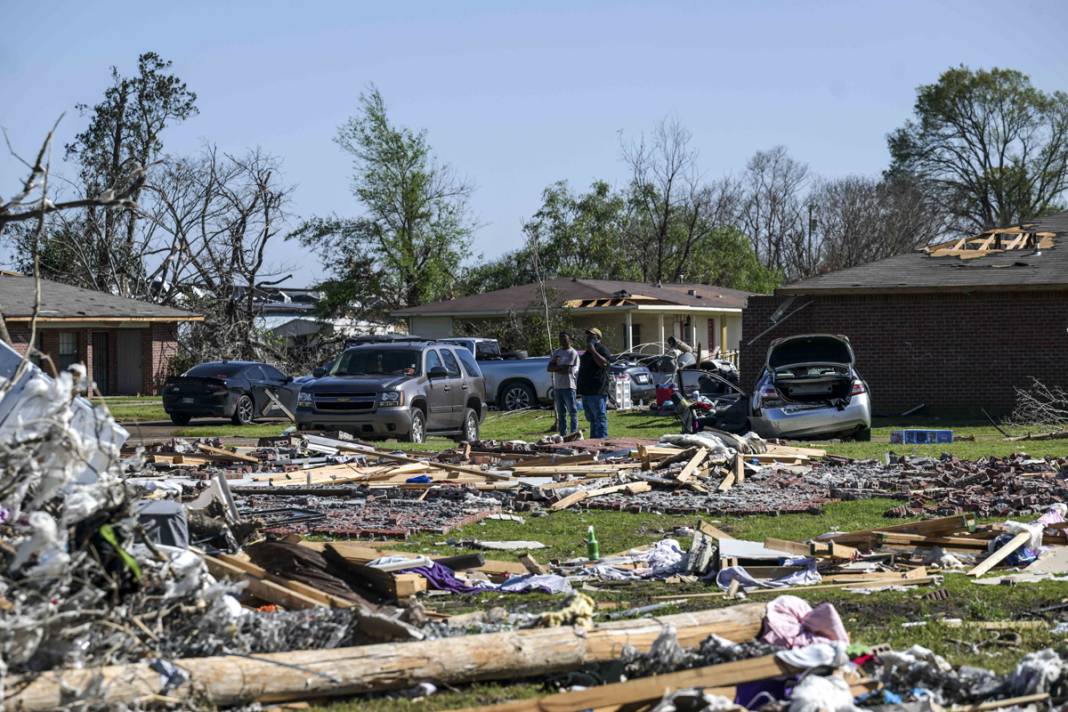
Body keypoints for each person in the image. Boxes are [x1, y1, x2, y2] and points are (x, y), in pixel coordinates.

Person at [577, 327, 612, 439]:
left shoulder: (601, 349)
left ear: (598, 337)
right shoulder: (587, 351)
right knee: (592, 419)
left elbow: (604, 363)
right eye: (588, 335)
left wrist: (593, 350)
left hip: (597, 390)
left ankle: (602, 441)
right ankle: (593, 441)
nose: (588, 337)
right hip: (586, 391)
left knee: (599, 417)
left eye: (592, 335)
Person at [547, 331, 580, 437]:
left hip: (569, 386)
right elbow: (549, 368)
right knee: (561, 413)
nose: (562, 340)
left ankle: (573, 433)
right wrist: (560, 367)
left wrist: (556, 367)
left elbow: (567, 369)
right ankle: (563, 435)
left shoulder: (572, 353)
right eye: (560, 338)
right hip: (558, 387)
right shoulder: (557, 352)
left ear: (569, 339)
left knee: (572, 411)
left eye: (564, 338)